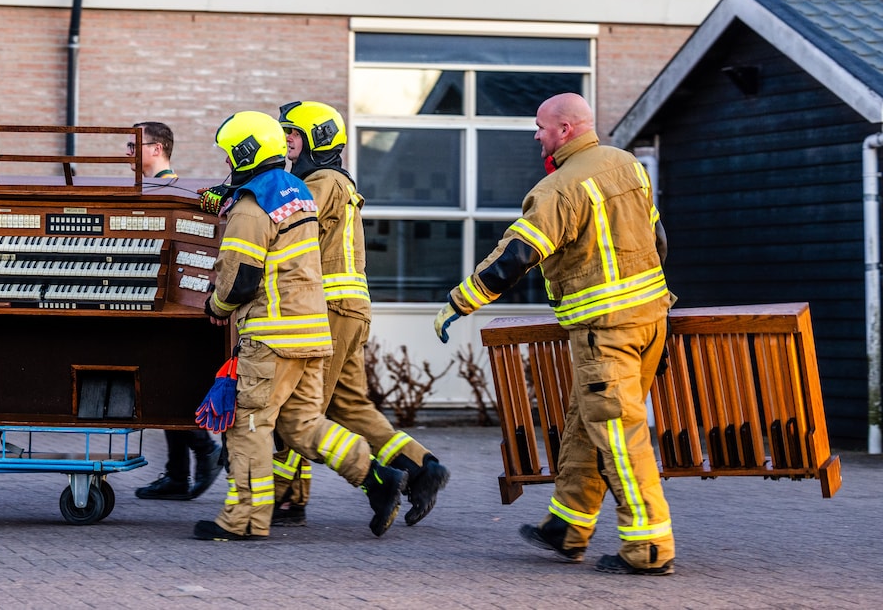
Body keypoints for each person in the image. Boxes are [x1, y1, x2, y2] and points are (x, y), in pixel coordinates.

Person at [433, 93, 676, 575]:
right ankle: (566, 527)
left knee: (618, 435)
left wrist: (458, 303)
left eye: (541, 127)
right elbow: (659, 241)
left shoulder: (558, 188)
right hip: (650, 321)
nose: (537, 136)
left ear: (564, 130)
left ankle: (649, 548)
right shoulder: (628, 166)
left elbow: (514, 260)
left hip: (605, 332)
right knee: (589, 423)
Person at [193, 110, 407, 541]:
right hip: (312, 333)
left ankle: (244, 521)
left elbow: (241, 279)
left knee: (249, 423)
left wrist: (215, 305)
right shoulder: (298, 192)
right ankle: (377, 478)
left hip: (271, 336)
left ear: (244, 152)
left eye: (230, 154)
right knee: (302, 425)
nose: (228, 164)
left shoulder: (253, 206)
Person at [270, 101, 449, 528]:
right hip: (346, 312)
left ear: (317, 140)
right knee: (349, 407)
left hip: (329, 310)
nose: (286, 141)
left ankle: (277, 499)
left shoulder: (322, 180)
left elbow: (284, 219)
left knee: (299, 410)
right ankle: (423, 468)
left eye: (292, 134)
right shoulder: (332, 180)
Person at [129, 120, 224, 501]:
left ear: (157, 149)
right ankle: (176, 475)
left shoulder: (178, 192)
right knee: (161, 381)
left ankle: (205, 450)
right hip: (147, 292)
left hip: (174, 301)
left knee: (170, 381)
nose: (128, 154)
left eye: (135, 146)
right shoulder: (141, 190)